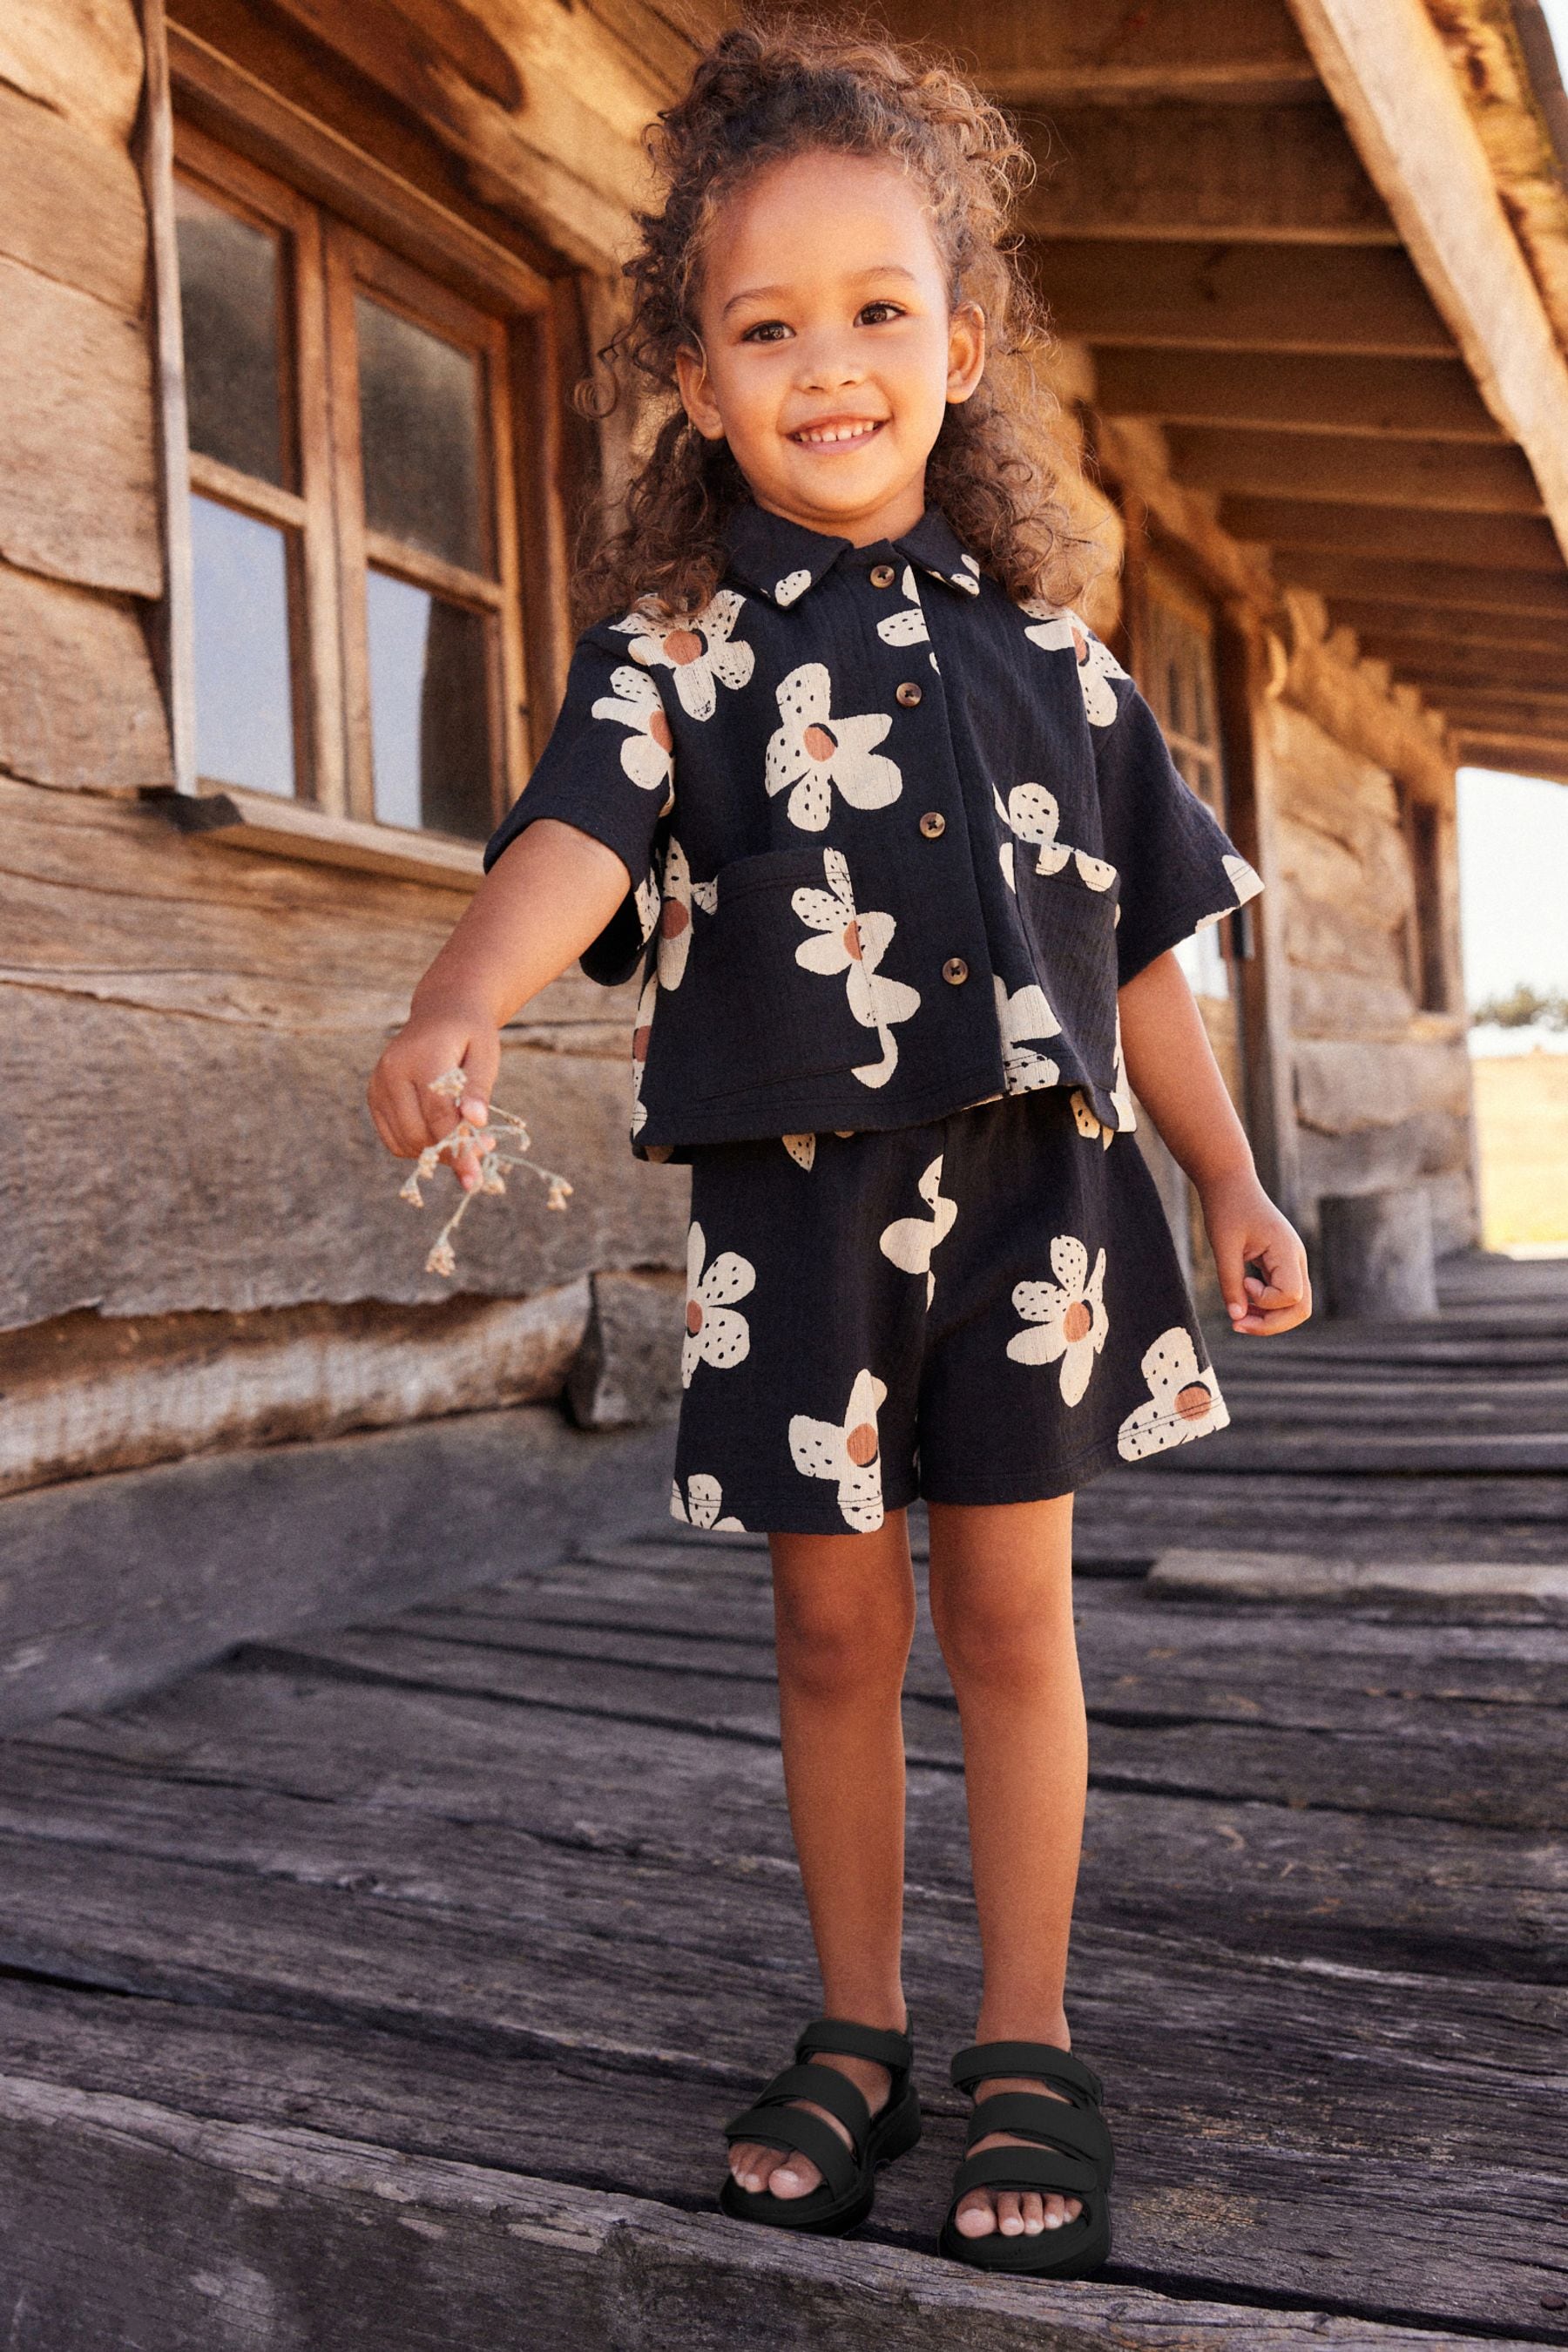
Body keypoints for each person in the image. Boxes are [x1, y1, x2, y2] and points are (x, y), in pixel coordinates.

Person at [368, 17, 1311, 2280]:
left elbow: (1149, 953)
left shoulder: (1067, 667)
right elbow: (579, 844)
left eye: (880, 311)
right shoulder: (671, 655)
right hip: (795, 1212)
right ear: (694, 381)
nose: (831, 364)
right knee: (825, 1625)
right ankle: (860, 2017)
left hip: (1038, 1208)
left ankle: (1027, 2027)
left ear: (962, 341)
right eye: (766, 327)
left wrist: (1231, 1170)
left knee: (1009, 1612)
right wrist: (463, 993)